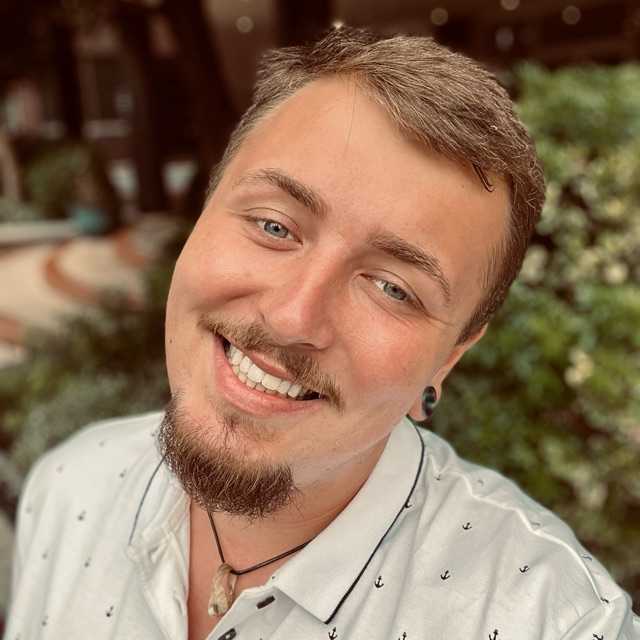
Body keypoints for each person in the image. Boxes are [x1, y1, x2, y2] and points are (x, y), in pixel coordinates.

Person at [6, 27, 639, 640]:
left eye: (392, 287)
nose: (293, 317)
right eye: (274, 226)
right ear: (200, 218)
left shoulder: (559, 623)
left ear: (448, 359)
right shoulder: (67, 489)